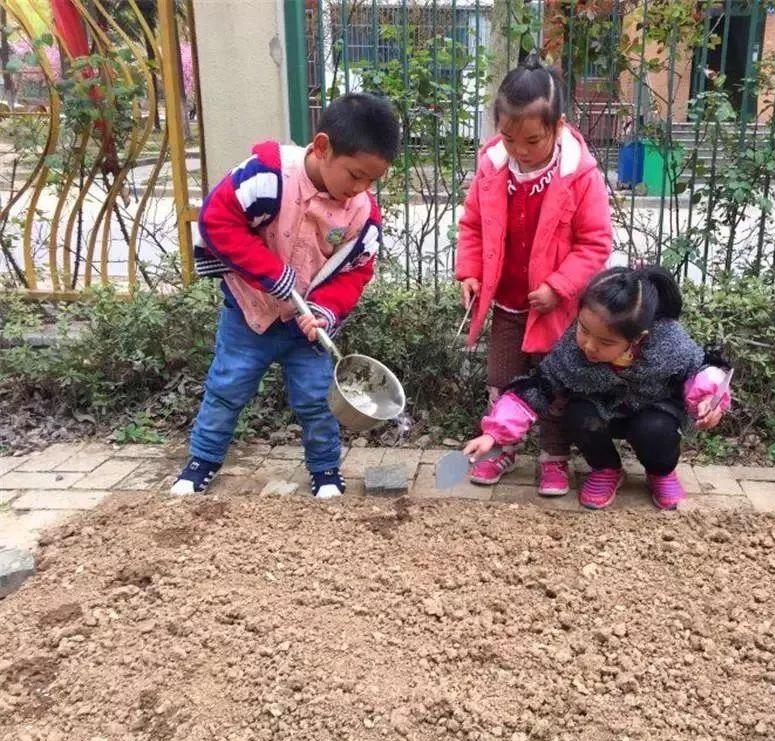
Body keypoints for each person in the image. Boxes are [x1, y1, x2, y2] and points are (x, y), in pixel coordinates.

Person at [169, 94, 400, 500]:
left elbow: (357, 270)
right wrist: (271, 273)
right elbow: (217, 220)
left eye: (371, 181)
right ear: (323, 147)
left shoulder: (361, 215)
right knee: (226, 388)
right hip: (249, 315)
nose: (360, 189)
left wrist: (326, 311)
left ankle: (325, 471)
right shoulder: (267, 177)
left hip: (306, 328)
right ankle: (201, 462)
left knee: (318, 400)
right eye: (355, 175)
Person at [455, 55, 613, 498]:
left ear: (557, 127)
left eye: (532, 140)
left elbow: (595, 243)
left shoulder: (579, 175)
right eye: (509, 138)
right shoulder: (492, 167)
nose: (520, 150)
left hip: (556, 308)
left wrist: (558, 286)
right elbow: (472, 226)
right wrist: (470, 272)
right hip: (506, 301)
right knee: (502, 379)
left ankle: (553, 457)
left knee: (554, 384)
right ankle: (501, 446)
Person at [463, 267, 730, 510]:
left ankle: (660, 472)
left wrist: (708, 399)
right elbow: (538, 387)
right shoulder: (572, 347)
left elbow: (700, 368)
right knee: (577, 414)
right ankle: (606, 468)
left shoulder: (668, 342)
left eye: (605, 342)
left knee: (655, 430)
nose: (589, 346)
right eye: (583, 330)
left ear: (638, 339)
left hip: (653, 411)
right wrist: (495, 433)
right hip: (601, 412)